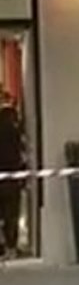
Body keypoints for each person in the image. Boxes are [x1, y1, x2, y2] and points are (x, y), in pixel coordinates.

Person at [0, 92, 26, 257]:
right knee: (12, 214)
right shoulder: (15, 133)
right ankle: (11, 247)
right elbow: (22, 153)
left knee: (3, 214)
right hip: (12, 178)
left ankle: (2, 244)